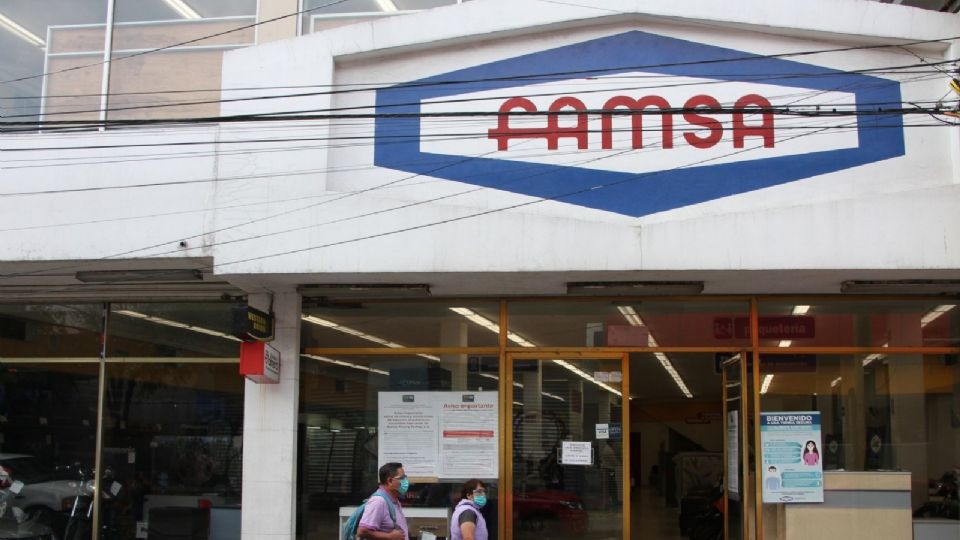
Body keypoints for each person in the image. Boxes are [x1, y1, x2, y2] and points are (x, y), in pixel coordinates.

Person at [358, 463, 409, 540]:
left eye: (405, 477)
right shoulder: (378, 501)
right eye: (402, 478)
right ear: (390, 481)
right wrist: (390, 537)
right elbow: (362, 531)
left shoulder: (393, 499)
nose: (406, 481)